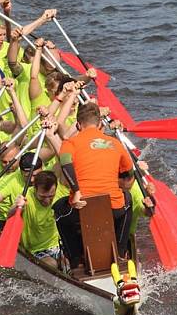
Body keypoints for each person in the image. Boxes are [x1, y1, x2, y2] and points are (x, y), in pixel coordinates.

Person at [58, 101, 133, 265]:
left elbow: (65, 162)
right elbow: (129, 174)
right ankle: (120, 254)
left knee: (58, 211)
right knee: (127, 200)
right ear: (100, 124)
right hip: (113, 208)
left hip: (81, 207)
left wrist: (76, 190)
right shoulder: (116, 143)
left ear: (78, 125)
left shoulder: (70, 143)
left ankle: (75, 259)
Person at [9, 170, 63, 268]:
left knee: (71, 265)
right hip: (35, 251)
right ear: (35, 189)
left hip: (57, 245)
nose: (47, 201)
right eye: (42, 196)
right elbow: (9, 216)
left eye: (51, 196)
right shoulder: (26, 197)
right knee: (52, 265)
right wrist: (16, 207)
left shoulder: (60, 195)